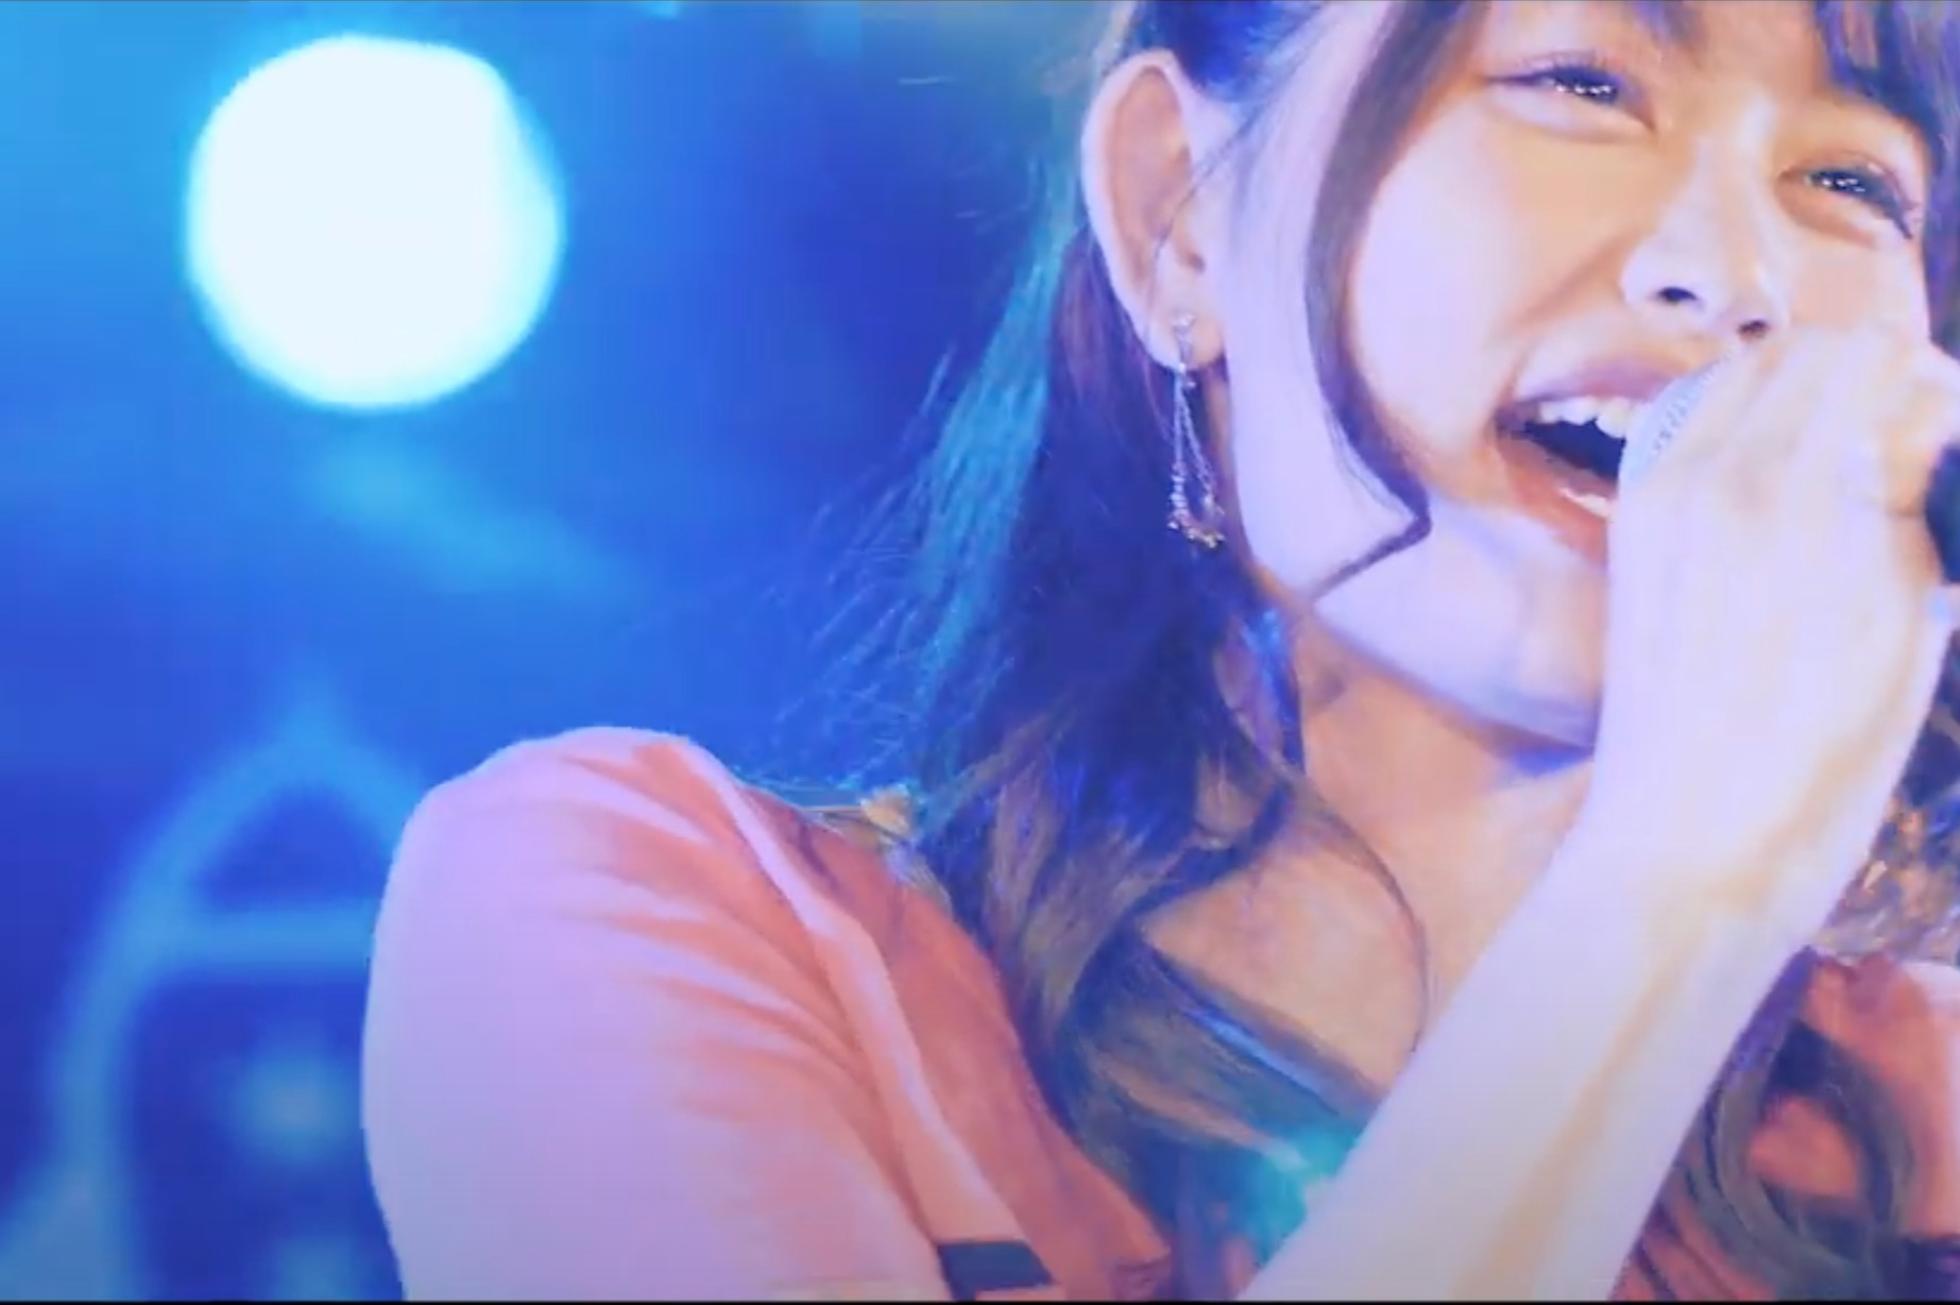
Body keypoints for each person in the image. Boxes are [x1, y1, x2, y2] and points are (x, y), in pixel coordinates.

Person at [361, 0, 1960, 1297]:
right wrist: (1676, 884)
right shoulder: (648, 921)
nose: (1738, 276)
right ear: (1177, 214)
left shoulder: (1925, 1109)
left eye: (1853, 183)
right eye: (1582, 83)